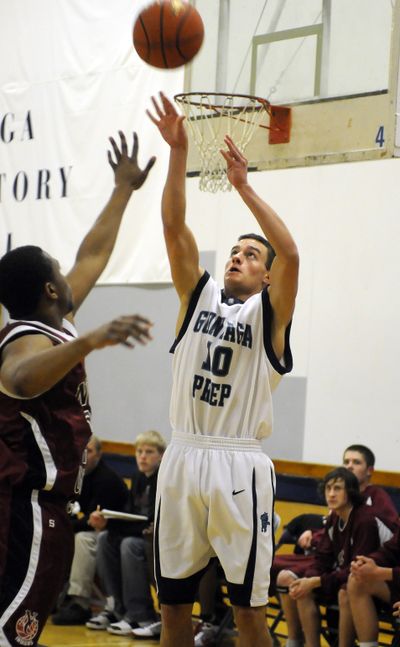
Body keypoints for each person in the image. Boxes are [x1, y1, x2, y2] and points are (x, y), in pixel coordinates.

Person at [148, 92, 299, 647]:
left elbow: (293, 254)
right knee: (174, 611)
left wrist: (244, 187)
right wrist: (179, 152)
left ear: (266, 277)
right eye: (234, 250)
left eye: (251, 255)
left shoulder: (270, 316)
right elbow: (172, 227)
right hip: (183, 456)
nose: (237, 256)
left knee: (249, 614)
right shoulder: (198, 296)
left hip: (239, 466)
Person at [0, 131, 155, 647]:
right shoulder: (24, 340)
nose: (70, 275)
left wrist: (123, 190)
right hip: (24, 508)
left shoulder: (55, 323)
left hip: (49, 510)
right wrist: (90, 339)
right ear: (50, 289)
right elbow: (19, 380)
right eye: (58, 271)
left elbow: (92, 255)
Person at [276, 467, 385, 647]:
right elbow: (322, 558)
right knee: (303, 588)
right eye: (328, 488)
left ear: (350, 491)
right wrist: (309, 579)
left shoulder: (365, 520)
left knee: (345, 591)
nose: (331, 494)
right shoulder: (334, 517)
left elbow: (357, 569)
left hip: (373, 583)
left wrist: (316, 581)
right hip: (343, 577)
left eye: (337, 489)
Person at [86, 430, 166, 636]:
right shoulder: (139, 476)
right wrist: (106, 520)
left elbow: (151, 520)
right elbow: (131, 511)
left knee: (129, 545)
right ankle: (117, 608)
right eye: (139, 451)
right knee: (104, 539)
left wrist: (116, 525)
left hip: (156, 540)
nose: (142, 456)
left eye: (149, 452)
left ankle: (141, 614)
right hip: (137, 531)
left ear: (161, 456)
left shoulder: (164, 479)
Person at [52, 435, 128, 625]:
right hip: (92, 529)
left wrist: (65, 525)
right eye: (81, 450)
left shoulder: (106, 480)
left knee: (82, 539)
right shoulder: (73, 476)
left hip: (114, 532)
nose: (84, 455)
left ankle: (79, 603)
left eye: (90, 451)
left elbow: (91, 521)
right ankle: (50, 594)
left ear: (100, 455)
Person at [347, 525, 400, 646]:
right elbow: (390, 550)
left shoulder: (367, 518)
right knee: (357, 580)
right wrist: (366, 562)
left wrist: (381, 573)